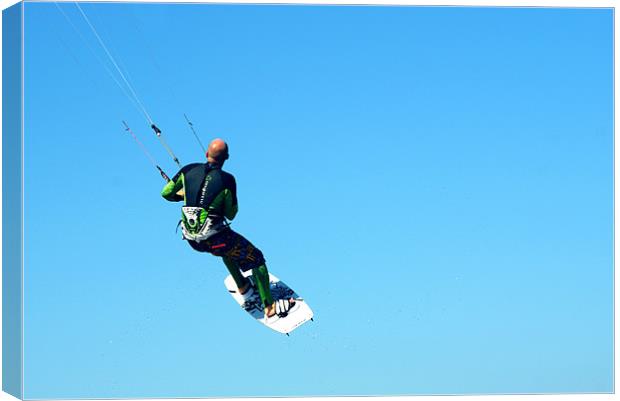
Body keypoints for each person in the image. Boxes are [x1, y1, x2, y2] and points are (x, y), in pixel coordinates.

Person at [161, 138, 294, 320]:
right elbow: (231, 213)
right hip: (216, 239)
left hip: (193, 240)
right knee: (256, 259)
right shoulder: (227, 180)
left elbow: (166, 193)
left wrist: (182, 195)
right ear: (227, 158)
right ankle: (269, 307)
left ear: (206, 154)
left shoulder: (188, 170)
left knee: (227, 250)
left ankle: (243, 287)